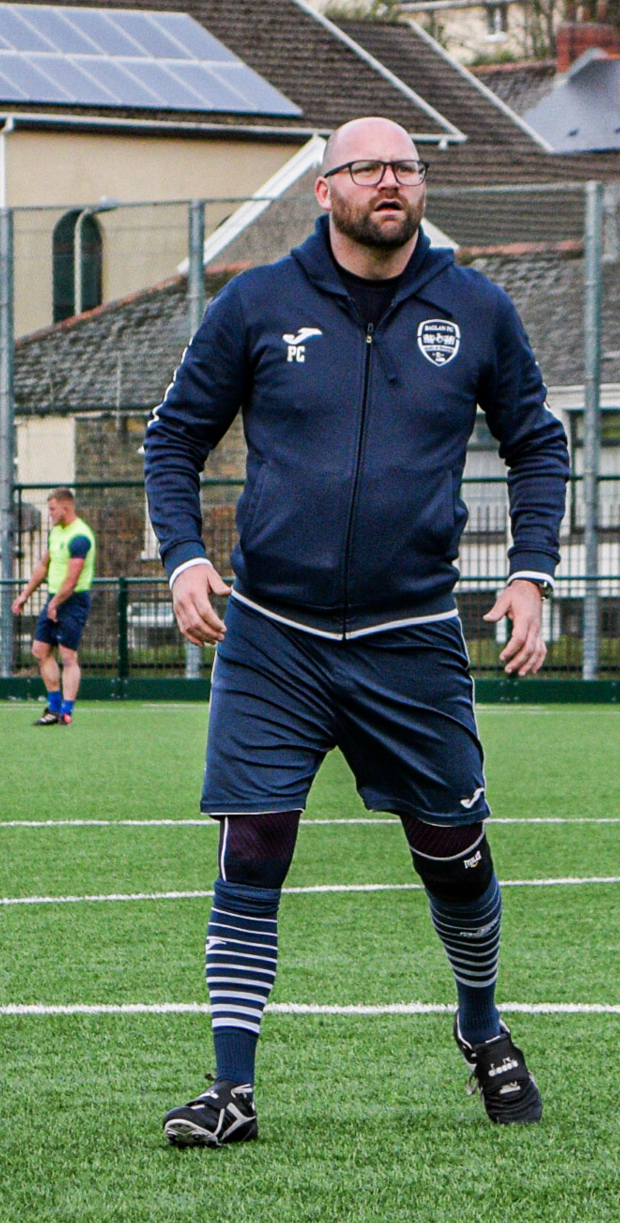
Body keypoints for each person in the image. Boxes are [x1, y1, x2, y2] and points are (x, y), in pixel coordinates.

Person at [144, 115, 569, 1146]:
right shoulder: (255, 304)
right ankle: (230, 1088)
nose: (391, 181)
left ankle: (479, 1027)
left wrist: (529, 572)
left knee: (452, 852)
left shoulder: (475, 309)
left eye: (406, 167)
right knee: (252, 845)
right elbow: (172, 441)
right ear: (324, 189)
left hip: (410, 634)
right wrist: (184, 557)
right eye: (369, 167)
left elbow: (536, 445)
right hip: (273, 636)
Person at [16, 485, 95, 725]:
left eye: (52, 509)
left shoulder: (80, 536)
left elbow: (72, 579)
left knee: (68, 656)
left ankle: (66, 712)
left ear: (65, 507)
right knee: (40, 651)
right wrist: (24, 595)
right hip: (54, 598)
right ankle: (54, 708)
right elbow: (43, 566)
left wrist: (56, 602)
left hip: (73, 601)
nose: (49, 513)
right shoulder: (56, 533)